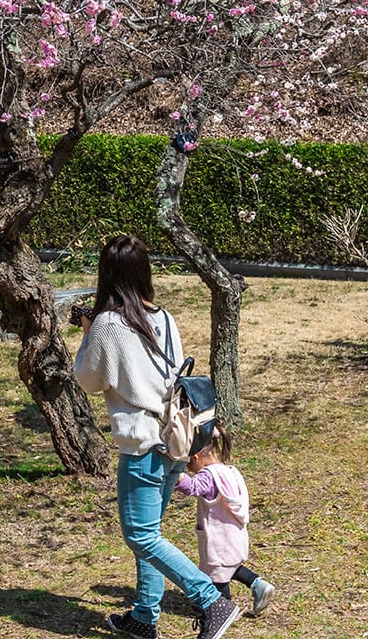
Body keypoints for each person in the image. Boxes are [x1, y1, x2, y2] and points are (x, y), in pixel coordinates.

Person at [73, 234, 240, 639]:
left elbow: (88, 380)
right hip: (174, 440)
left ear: (107, 276)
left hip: (142, 444)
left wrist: (87, 331)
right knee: (152, 531)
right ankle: (144, 616)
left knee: (141, 534)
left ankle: (211, 601)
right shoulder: (164, 318)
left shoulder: (109, 325)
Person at [173, 421, 277, 617]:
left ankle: (222, 610)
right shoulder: (230, 472)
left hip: (218, 540)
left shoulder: (209, 477)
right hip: (235, 534)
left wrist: (175, 475)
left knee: (218, 578)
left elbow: (193, 487)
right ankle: (259, 585)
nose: (189, 468)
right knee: (231, 567)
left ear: (196, 457)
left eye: (188, 463)